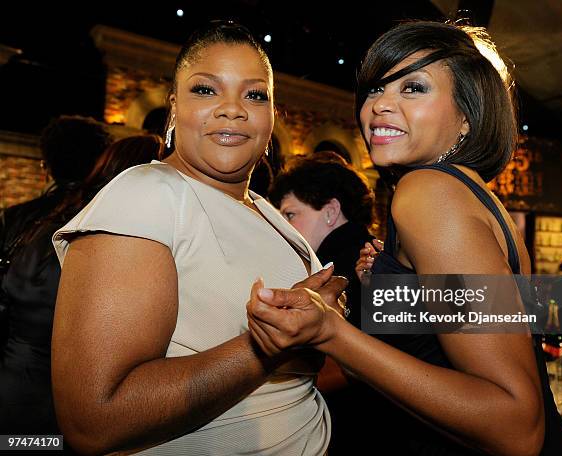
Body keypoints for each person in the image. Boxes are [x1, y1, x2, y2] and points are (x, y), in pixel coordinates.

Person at [247, 21, 562, 455]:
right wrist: (395, 295)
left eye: (413, 88)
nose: (380, 105)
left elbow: (516, 426)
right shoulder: (471, 194)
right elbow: (496, 324)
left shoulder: (427, 192)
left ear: (466, 115)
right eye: (374, 89)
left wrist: (331, 332)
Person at [51, 23, 343, 455]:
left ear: (271, 116)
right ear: (173, 108)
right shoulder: (148, 196)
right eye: (206, 90)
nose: (232, 109)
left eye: (255, 94)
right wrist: (267, 346)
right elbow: (96, 420)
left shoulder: (266, 210)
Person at [0, 115, 112, 436]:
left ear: (45, 166)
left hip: (15, 388)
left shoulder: (17, 219)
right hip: (81, 396)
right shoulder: (108, 222)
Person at [269, 153, 376, 453]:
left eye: (290, 215)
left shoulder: (344, 268)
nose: (283, 227)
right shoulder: (360, 256)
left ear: (330, 211)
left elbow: (356, 367)